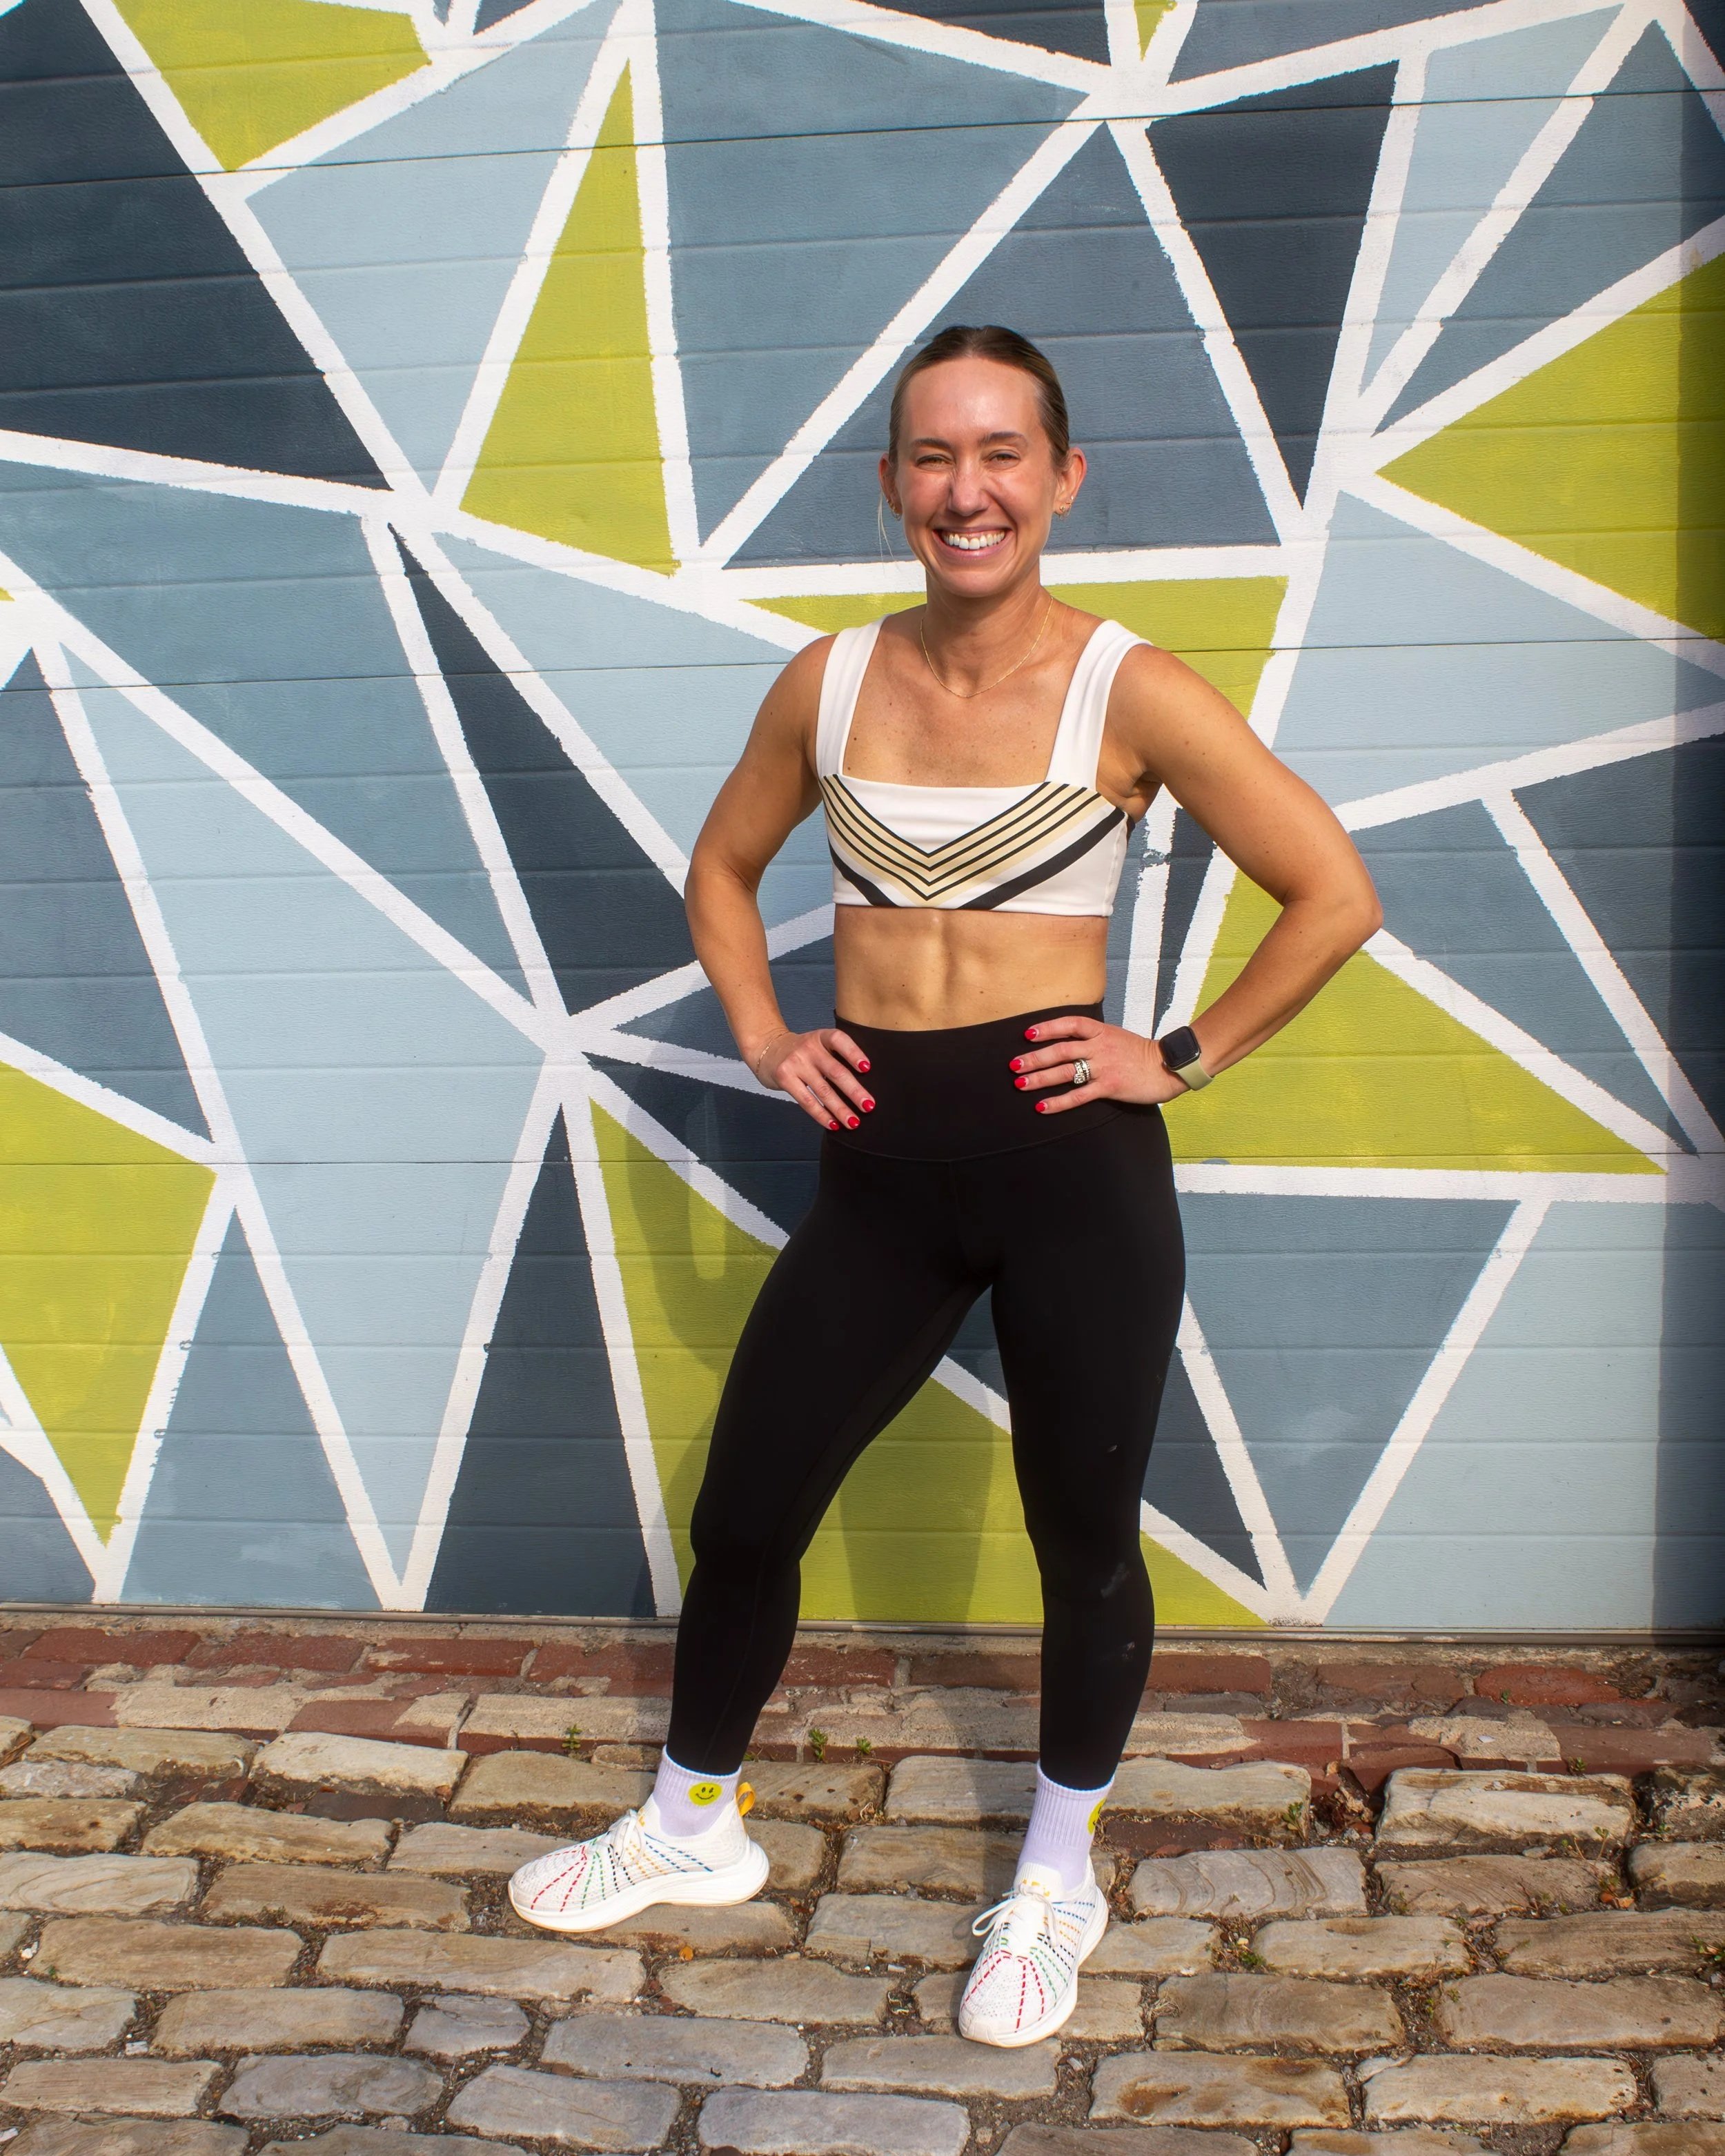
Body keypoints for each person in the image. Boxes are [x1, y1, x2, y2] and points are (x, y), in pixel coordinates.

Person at [509, 324, 1381, 2044]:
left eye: (999, 454)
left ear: (1060, 479)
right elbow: (722, 862)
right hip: (877, 1177)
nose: (962, 488)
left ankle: (1057, 1876)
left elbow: (1331, 891)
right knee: (750, 1505)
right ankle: (690, 1826)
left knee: (1080, 1537)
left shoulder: (1128, 688)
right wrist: (765, 1030)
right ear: (892, 485)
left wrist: (1175, 1055)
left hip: (1072, 1176)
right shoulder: (827, 681)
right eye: (928, 456)